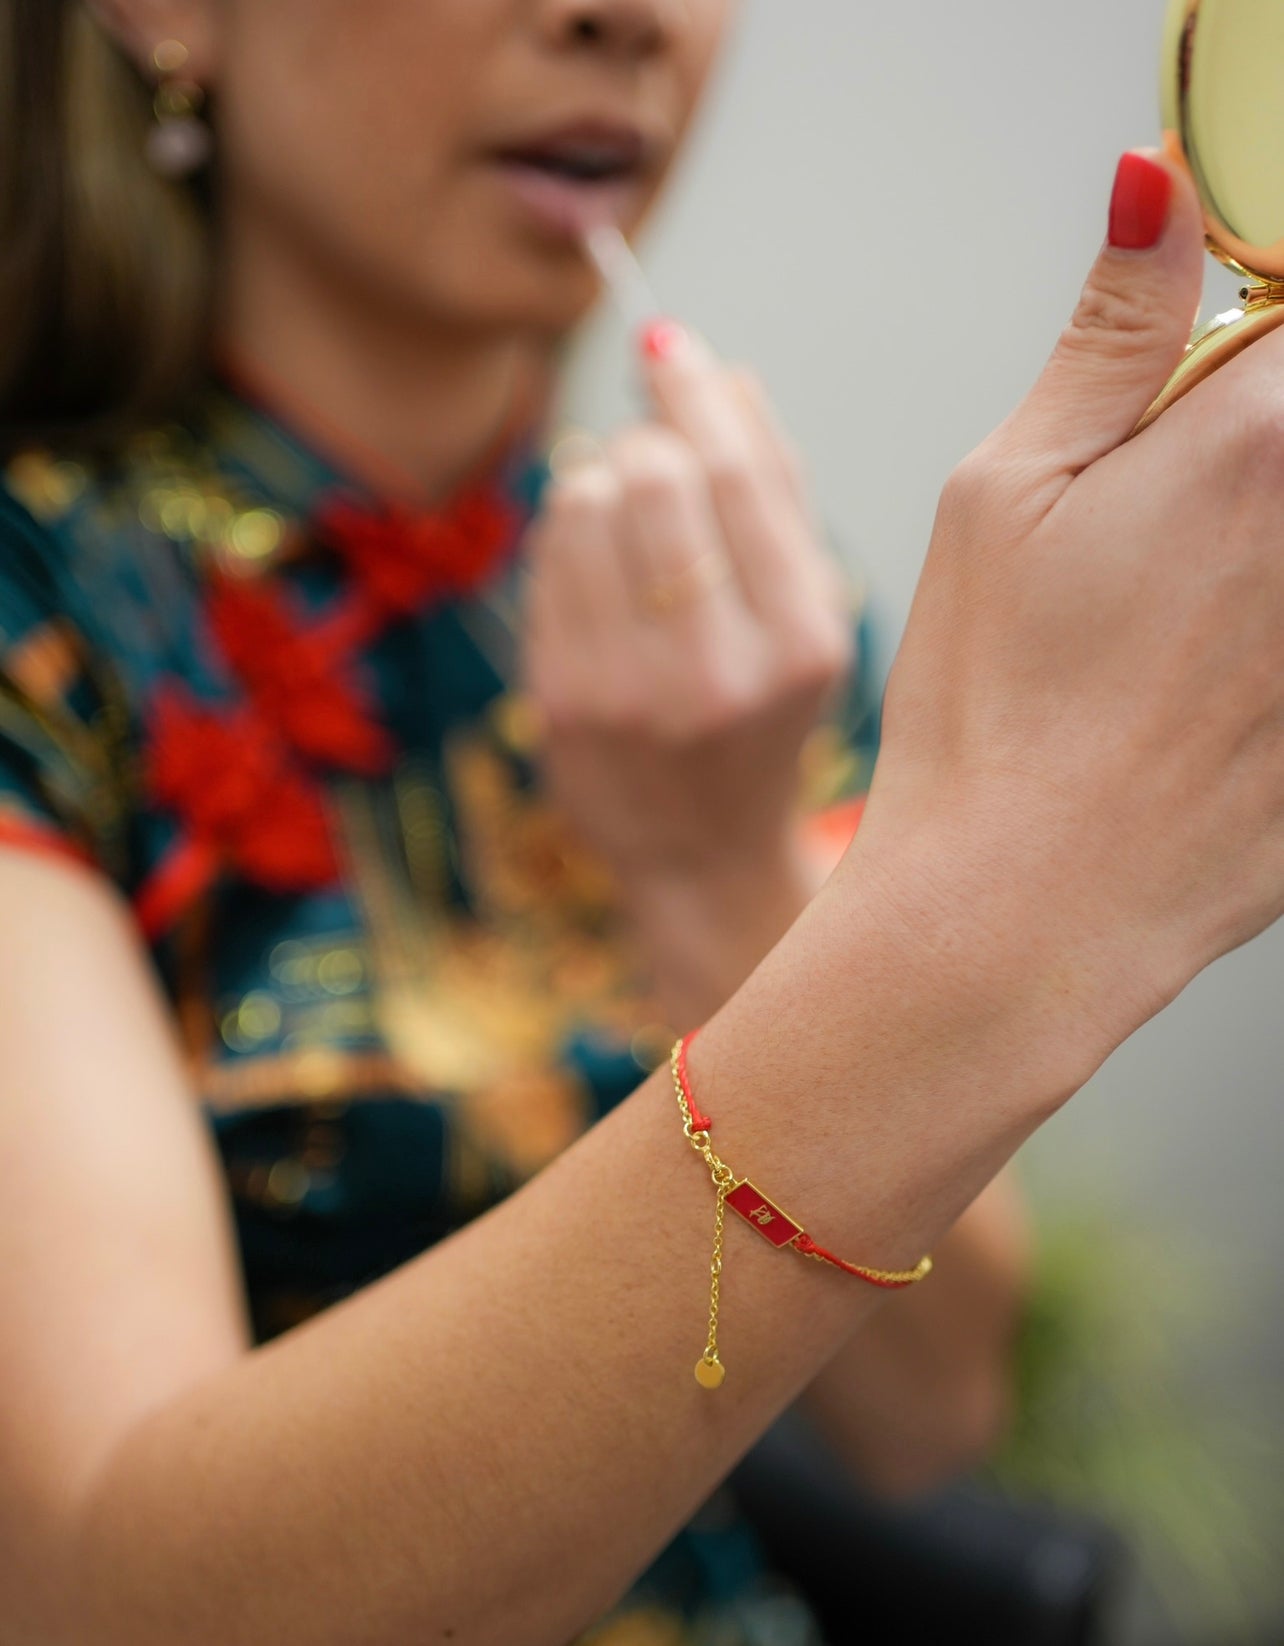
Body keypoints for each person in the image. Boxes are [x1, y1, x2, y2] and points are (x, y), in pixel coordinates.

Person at [1, 4, 1281, 1644]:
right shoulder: (48, 630)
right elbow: (109, 1595)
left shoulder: (727, 607)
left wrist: (725, 873)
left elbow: (931, 1409)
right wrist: (1008, 900)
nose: (622, 17)